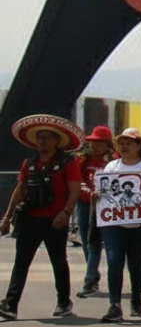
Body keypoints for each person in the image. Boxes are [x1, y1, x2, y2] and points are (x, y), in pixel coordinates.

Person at [0, 115, 86, 320]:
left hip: (55, 219)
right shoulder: (29, 162)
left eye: (47, 138)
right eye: (40, 138)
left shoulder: (68, 162)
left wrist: (65, 213)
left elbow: (75, 190)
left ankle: (63, 302)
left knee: (58, 261)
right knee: (21, 262)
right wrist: (7, 217)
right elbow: (19, 189)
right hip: (30, 218)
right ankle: (10, 305)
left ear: (57, 141)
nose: (43, 141)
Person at [96, 128, 141, 322]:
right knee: (114, 259)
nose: (124, 146)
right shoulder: (112, 166)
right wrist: (97, 193)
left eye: (129, 142)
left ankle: (136, 298)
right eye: (122, 143)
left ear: (139, 146)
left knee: (136, 263)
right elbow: (102, 190)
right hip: (114, 222)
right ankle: (115, 305)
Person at [75, 125, 114, 299]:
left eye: (99, 143)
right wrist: (86, 192)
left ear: (107, 144)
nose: (94, 146)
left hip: (105, 205)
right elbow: (77, 180)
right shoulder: (83, 160)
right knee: (86, 241)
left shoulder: (113, 162)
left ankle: (90, 279)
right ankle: (93, 275)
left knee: (95, 242)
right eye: (92, 142)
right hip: (84, 204)